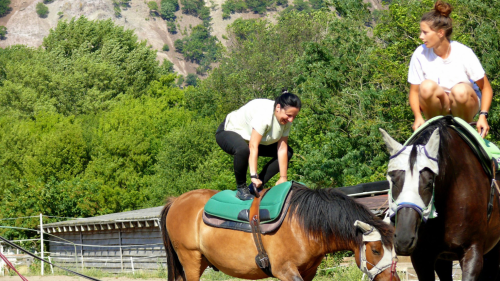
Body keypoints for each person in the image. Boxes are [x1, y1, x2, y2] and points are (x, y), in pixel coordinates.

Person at [408, 0, 493, 137]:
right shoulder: (419, 54)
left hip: (464, 103)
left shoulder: (464, 53)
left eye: (425, 32)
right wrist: (418, 116)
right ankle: (435, 131)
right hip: (439, 106)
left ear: (440, 33)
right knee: (426, 86)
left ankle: (465, 133)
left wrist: (483, 116)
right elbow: (414, 92)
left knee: (460, 90)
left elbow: (486, 88)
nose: (421, 36)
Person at [215, 91, 301, 200]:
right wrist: (253, 176)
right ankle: (241, 188)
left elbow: (282, 148)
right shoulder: (265, 115)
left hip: (250, 139)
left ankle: (255, 187)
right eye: (289, 115)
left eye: (294, 116)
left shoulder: (286, 120)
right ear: (278, 107)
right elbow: (253, 146)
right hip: (228, 131)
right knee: (243, 149)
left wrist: (283, 178)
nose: (291, 120)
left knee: (289, 152)